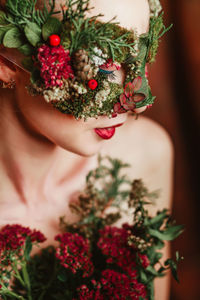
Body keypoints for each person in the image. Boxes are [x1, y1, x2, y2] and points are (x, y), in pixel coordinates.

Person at [0, 0, 173, 299]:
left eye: (141, 55)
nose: (137, 102)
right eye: (99, 61)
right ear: (4, 62)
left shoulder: (145, 157)